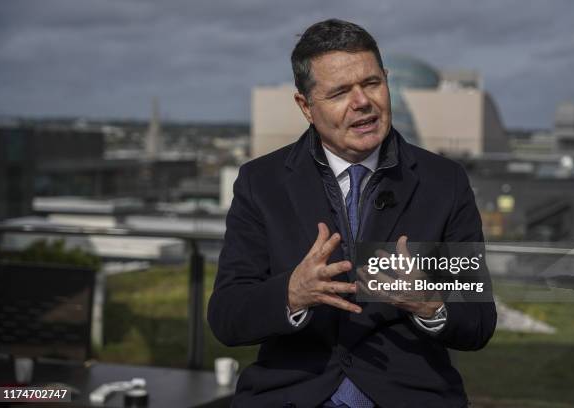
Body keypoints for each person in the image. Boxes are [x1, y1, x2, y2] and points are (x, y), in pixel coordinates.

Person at [208, 18, 497, 408]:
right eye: (341, 91)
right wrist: (292, 294)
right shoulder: (261, 183)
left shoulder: (444, 182)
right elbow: (227, 316)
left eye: (372, 83)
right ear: (306, 106)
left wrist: (430, 304)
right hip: (291, 397)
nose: (363, 102)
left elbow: (478, 322)